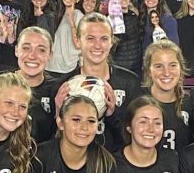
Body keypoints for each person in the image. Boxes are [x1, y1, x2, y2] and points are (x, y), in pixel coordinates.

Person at [55, 13, 142, 153]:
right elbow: (54, 141)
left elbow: (134, 139)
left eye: (104, 39)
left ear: (111, 42)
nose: (97, 45)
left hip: (116, 167)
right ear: (77, 41)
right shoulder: (64, 87)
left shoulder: (130, 83)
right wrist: (58, 113)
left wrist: (112, 115)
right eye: (90, 38)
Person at [33, 94, 120, 173]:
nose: (84, 127)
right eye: (76, 120)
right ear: (60, 123)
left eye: (91, 121)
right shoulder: (39, 157)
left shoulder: (105, 162)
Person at [115, 95, 184, 173]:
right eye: (143, 122)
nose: (151, 129)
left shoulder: (172, 159)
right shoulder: (112, 165)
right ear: (129, 127)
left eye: (157, 123)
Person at [140, 40, 194, 153]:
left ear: (181, 68)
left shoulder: (190, 102)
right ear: (149, 70)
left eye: (172, 65)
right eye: (159, 66)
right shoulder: (138, 101)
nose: (166, 73)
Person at [11, 27, 58, 144]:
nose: (32, 56)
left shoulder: (57, 89)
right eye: (26, 48)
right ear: (16, 50)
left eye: (41, 50)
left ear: (50, 55)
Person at [45, 0, 83, 77]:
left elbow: (79, 44)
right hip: (50, 64)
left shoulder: (79, 16)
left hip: (67, 67)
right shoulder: (56, 13)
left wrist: (71, 21)